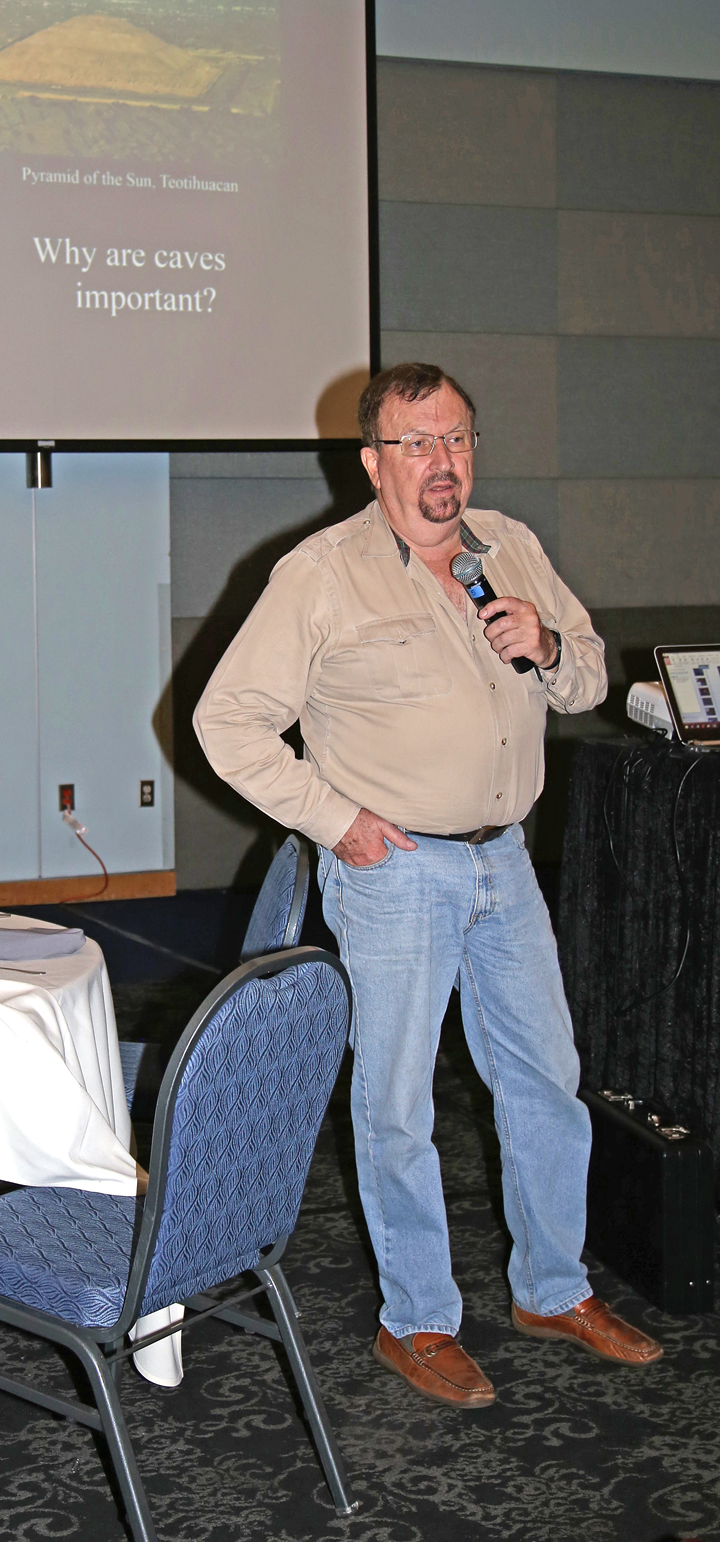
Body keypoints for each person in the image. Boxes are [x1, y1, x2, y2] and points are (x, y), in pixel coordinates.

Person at [194, 362, 662, 1408]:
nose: (439, 463)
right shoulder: (319, 574)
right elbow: (225, 724)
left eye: (454, 439)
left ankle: (552, 1287)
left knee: (545, 1080)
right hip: (394, 872)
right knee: (397, 1103)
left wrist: (546, 645)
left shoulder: (513, 548)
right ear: (372, 462)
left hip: (506, 860)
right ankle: (416, 1322)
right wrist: (336, 821)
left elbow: (591, 673)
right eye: (413, 444)